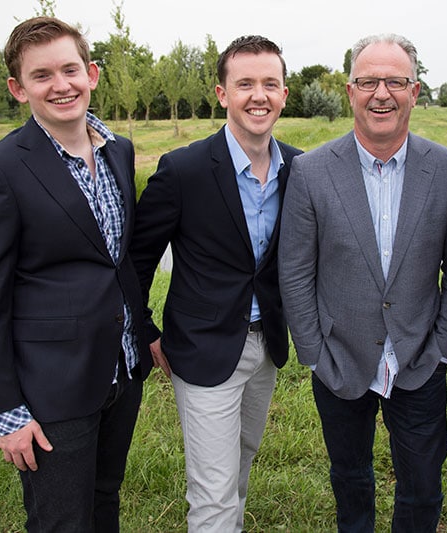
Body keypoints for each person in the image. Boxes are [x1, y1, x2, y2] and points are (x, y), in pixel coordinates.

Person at [0, 16, 153, 532]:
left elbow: (118, 257)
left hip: (119, 370)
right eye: (42, 76)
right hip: (51, 387)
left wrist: (144, 332)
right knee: (61, 521)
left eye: (70, 70)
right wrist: (5, 411)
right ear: (18, 89)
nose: (60, 85)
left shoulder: (118, 151)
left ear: (92, 73)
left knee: (104, 500)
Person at [279, 34, 447, 531]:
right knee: (350, 478)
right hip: (339, 360)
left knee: (423, 487)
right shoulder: (311, 171)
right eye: (368, 81)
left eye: (395, 81)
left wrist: (445, 346)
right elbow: (296, 270)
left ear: (415, 90)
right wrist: (313, 352)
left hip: (419, 359)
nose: (381, 93)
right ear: (350, 91)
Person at [129, 35, 301, 532]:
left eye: (270, 83)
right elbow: (137, 261)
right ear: (223, 94)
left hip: (266, 346)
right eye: (244, 83)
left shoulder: (300, 168)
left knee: (241, 464)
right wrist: (144, 328)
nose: (258, 95)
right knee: (213, 491)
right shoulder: (183, 170)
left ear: (284, 95)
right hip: (204, 349)